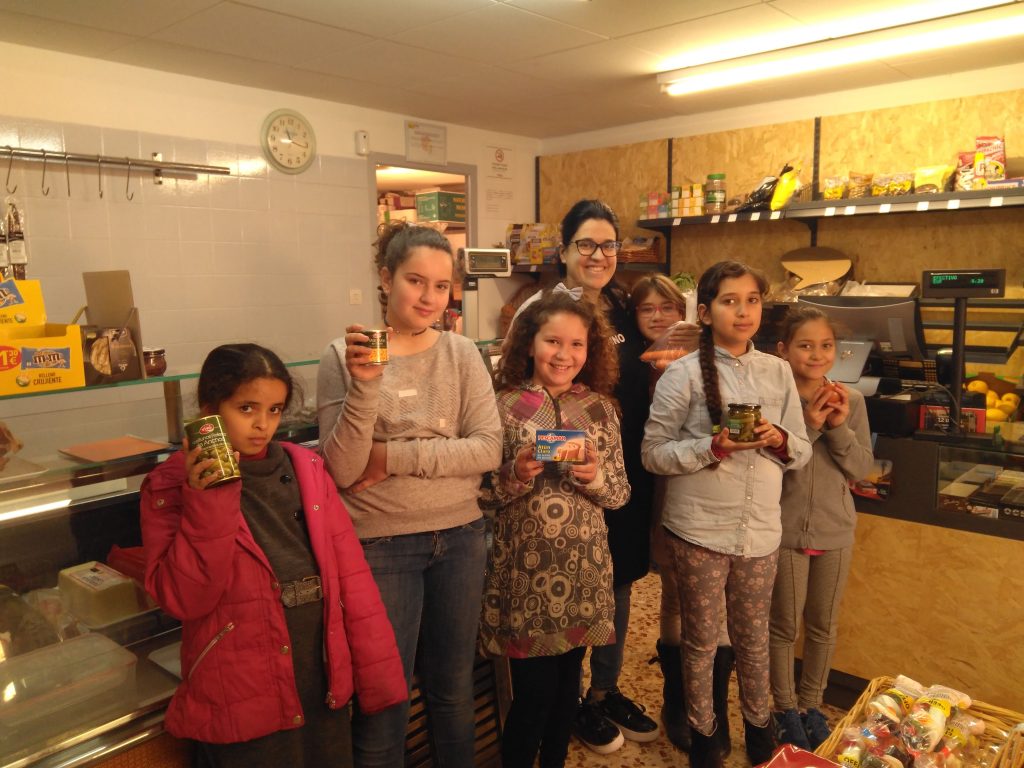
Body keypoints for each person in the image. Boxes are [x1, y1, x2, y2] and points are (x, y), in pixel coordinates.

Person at [141, 343, 406, 768]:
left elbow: (352, 578)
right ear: (209, 410)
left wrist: (379, 673)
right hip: (241, 685)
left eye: (275, 410)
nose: (262, 424)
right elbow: (184, 598)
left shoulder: (306, 467)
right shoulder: (171, 485)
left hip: (319, 671)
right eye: (246, 408)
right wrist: (207, 499)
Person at [513, 199, 698, 753]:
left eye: (608, 245)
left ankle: (603, 691)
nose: (598, 255)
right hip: (560, 476)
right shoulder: (541, 309)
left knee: (618, 579)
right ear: (565, 250)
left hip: (623, 468)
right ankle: (568, 701)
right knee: (569, 586)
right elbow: (517, 386)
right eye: (586, 244)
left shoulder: (620, 304)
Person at [317, 221, 503, 768]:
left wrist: (391, 457)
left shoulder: (462, 353)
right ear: (385, 278)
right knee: (385, 701)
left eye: (441, 286)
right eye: (415, 281)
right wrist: (366, 386)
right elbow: (343, 469)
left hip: (461, 537)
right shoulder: (342, 355)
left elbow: (488, 448)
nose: (429, 298)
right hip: (380, 546)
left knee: (453, 691)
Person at [641, 260, 812, 768]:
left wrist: (779, 439)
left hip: (760, 534)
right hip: (698, 531)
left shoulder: (778, 371)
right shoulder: (682, 374)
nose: (743, 311)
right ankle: (705, 738)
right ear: (705, 312)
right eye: (729, 301)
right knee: (701, 643)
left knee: (753, 640)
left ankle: (760, 735)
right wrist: (711, 447)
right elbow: (653, 454)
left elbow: (801, 449)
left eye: (752, 300)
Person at [480, 289, 631, 767]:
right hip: (525, 574)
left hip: (583, 569)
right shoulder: (502, 406)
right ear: (529, 343)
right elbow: (480, 493)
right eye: (552, 341)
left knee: (568, 688)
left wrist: (595, 476)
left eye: (576, 344)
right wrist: (515, 474)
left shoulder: (600, 409)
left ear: (591, 350)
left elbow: (619, 493)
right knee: (533, 695)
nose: (564, 355)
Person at [770, 306, 874, 750]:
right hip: (785, 529)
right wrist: (810, 427)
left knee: (823, 625)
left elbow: (861, 468)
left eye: (826, 345)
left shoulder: (853, 401)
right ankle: (784, 710)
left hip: (835, 530)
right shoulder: (774, 402)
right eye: (805, 345)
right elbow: (772, 466)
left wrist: (837, 427)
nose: (816, 354)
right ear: (783, 349)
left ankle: (812, 706)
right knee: (783, 626)